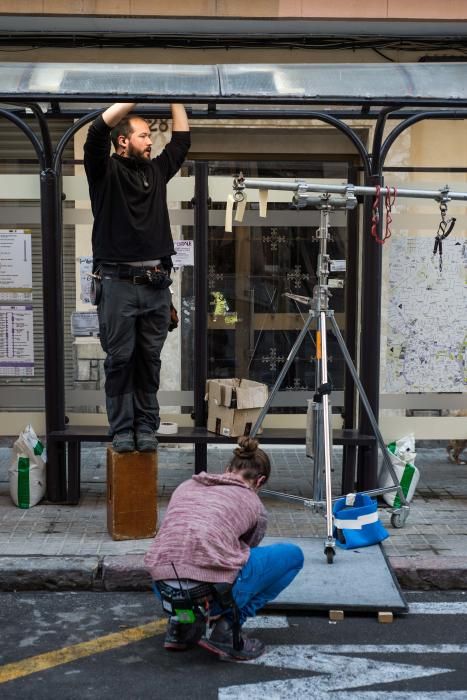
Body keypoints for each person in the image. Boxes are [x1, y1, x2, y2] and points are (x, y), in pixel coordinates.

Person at [84, 102, 190, 453]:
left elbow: (181, 142)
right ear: (122, 142)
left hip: (156, 285)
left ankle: (146, 427)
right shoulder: (104, 172)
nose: (150, 142)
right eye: (143, 135)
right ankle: (122, 430)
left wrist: (177, 98)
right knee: (119, 359)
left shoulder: (156, 172)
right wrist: (130, 95)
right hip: (117, 285)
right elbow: (96, 132)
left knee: (149, 359)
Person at [144, 437, 304, 661]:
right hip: (208, 593)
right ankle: (226, 629)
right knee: (293, 556)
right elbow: (246, 552)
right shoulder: (253, 503)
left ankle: (181, 626)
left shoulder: (186, 486)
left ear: (227, 469)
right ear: (260, 481)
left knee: (174, 555)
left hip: (163, 588)